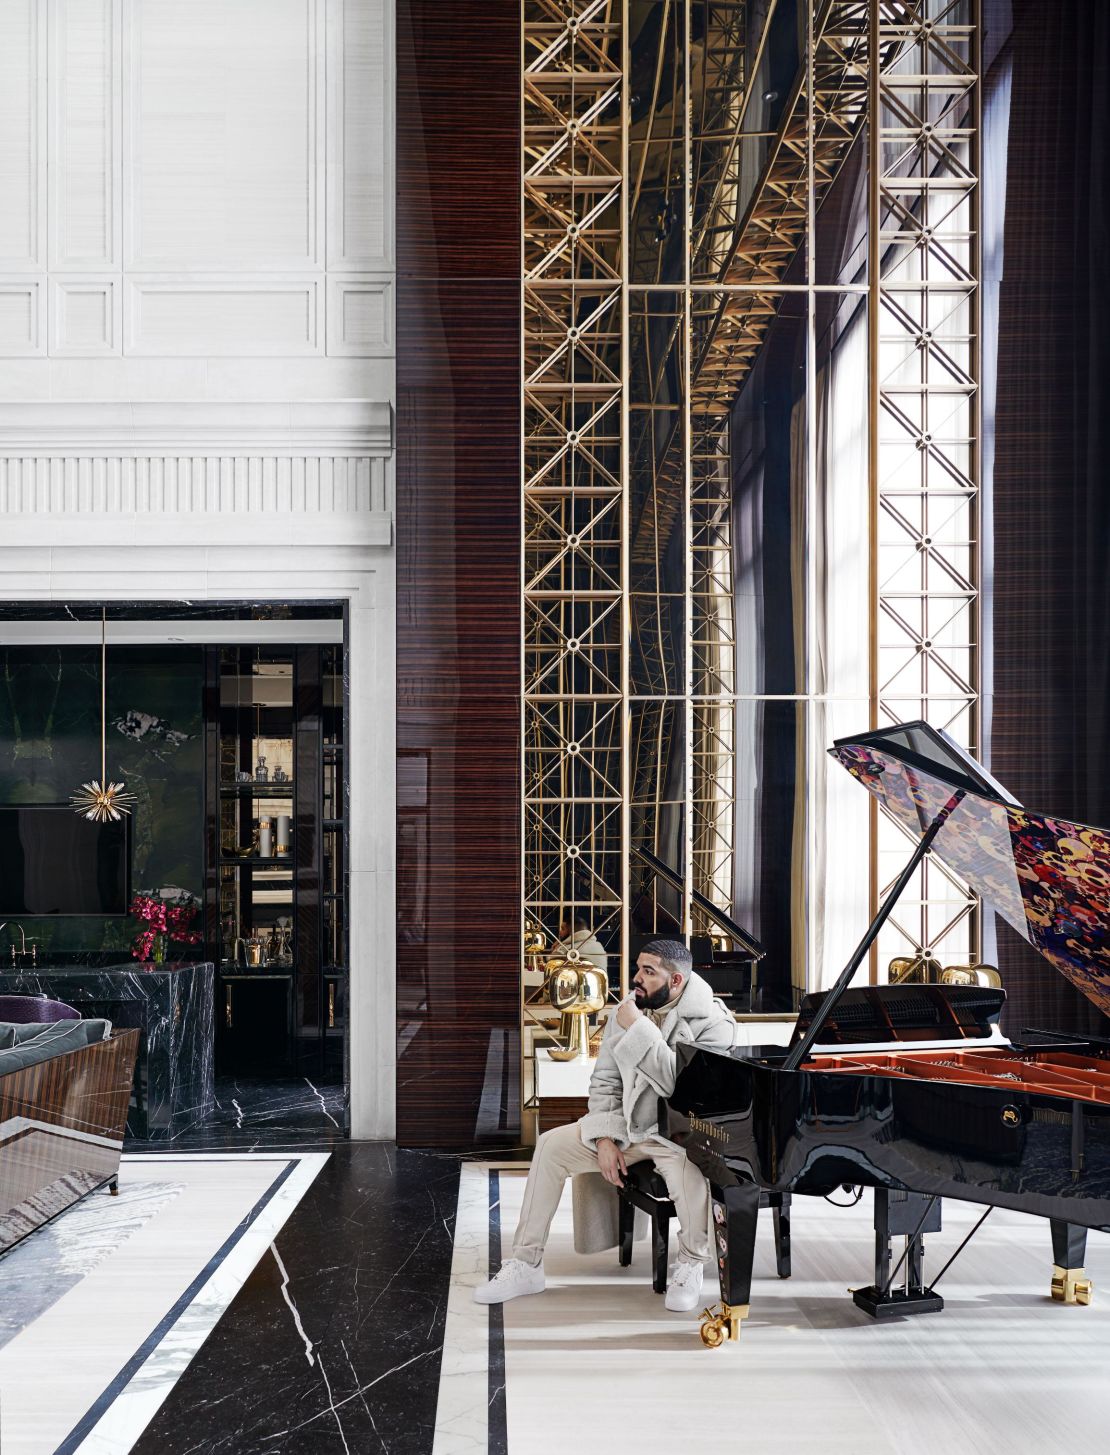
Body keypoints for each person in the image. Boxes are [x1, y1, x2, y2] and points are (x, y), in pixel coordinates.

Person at [475, 938, 734, 1312]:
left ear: (676, 981)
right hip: (627, 1126)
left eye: (649, 971)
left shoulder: (715, 1023)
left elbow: (678, 1088)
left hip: (676, 1135)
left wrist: (637, 1029)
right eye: (638, 968)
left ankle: (691, 1264)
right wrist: (604, 1138)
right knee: (549, 1146)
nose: (636, 978)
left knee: (691, 1171)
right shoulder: (628, 1012)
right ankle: (526, 1264)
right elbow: (604, 1082)